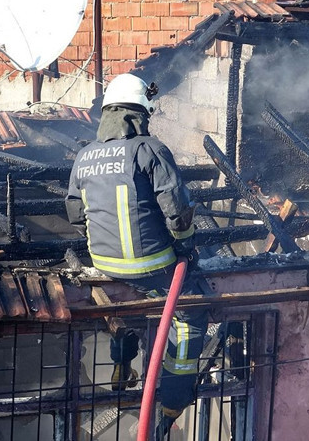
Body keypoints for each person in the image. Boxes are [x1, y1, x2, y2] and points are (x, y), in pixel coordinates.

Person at [65, 73, 208, 438]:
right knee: (191, 314)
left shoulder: (84, 155)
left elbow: (74, 213)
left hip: (104, 265)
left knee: (123, 307)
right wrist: (186, 245)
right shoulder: (149, 149)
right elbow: (176, 208)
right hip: (153, 266)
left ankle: (121, 364)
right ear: (140, 114)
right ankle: (174, 400)